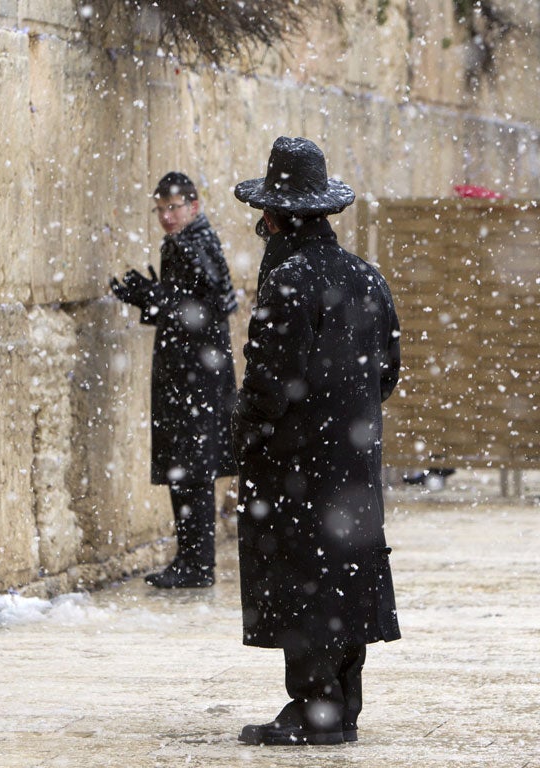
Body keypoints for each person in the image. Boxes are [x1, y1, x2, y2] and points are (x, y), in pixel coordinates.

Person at [231, 136, 402, 745]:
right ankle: (341, 705)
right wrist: (346, 417)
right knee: (347, 578)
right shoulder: (367, 277)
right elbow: (388, 372)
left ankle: (312, 709)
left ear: (275, 217)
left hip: (298, 466)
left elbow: (268, 389)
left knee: (305, 581)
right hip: (352, 463)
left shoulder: (287, 281)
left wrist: (249, 437)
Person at [110, 172, 238, 589]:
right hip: (193, 371)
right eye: (161, 209)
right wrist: (157, 297)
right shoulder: (192, 241)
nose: (167, 216)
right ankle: (192, 560)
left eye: (174, 207)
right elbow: (199, 300)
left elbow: (210, 305)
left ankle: (196, 563)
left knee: (191, 468)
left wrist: (155, 298)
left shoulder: (190, 242)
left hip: (193, 375)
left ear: (193, 207)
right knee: (189, 467)